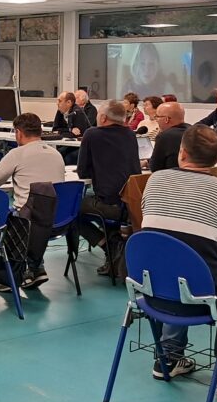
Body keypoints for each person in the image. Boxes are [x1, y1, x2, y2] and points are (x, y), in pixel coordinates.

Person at [140, 124, 217, 399]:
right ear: (216, 159)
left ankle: (168, 357)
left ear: (182, 153)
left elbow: (152, 231)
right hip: (199, 296)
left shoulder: (155, 180)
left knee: (176, 268)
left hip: (151, 291)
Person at [0, 112, 65, 289]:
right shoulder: (56, 154)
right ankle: (35, 268)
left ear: (19, 133)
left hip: (27, 224)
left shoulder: (17, 154)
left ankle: (11, 274)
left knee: (6, 214)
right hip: (58, 220)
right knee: (35, 208)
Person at [75, 100, 142, 270]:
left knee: (70, 209)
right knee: (100, 200)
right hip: (130, 204)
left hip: (109, 204)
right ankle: (114, 247)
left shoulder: (92, 134)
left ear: (103, 118)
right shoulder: (130, 135)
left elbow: (82, 172)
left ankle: (109, 246)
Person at [52, 91, 91, 166]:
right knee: (57, 154)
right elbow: (55, 130)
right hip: (70, 145)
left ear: (69, 102)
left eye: (59, 101)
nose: (57, 103)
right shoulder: (60, 111)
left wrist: (63, 131)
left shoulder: (77, 112)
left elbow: (77, 135)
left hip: (83, 146)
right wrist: (70, 130)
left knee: (68, 158)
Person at [148, 102, 189, 172]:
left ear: (166, 119)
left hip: (171, 177)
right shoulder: (194, 131)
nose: (156, 120)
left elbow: (155, 167)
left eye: (157, 117)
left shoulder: (164, 136)